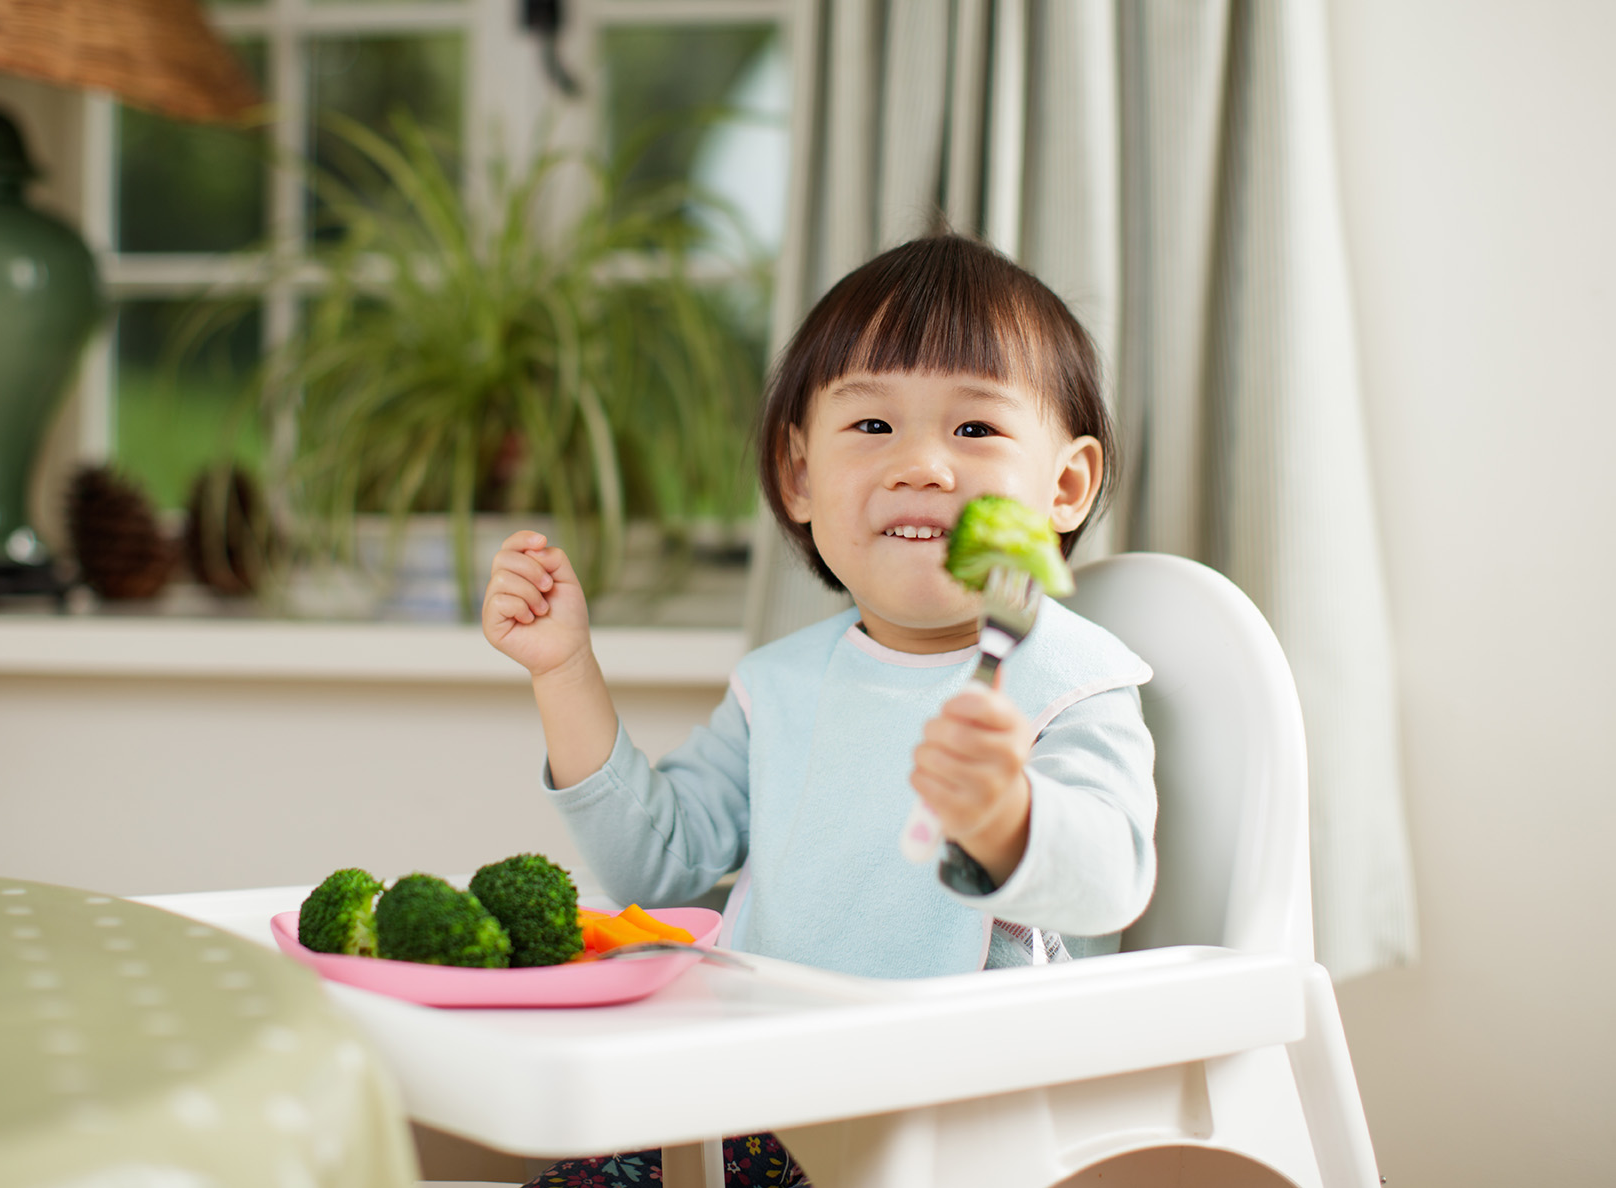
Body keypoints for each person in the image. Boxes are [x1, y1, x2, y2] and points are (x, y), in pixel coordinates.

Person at [483, 234, 1156, 1188]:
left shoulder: (1072, 678)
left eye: (974, 430)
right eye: (872, 427)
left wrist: (1009, 820)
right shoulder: (779, 685)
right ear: (799, 477)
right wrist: (564, 673)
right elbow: (659, 867)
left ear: (1065, 487)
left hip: (959, 1127)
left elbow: (1113, 876)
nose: (922, 464)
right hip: (757, 1104)